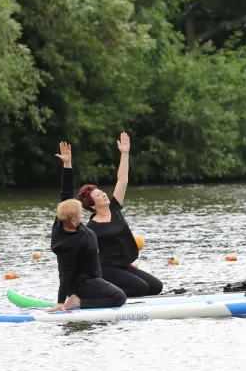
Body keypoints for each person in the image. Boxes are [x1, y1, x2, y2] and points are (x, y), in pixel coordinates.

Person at [76, 132, 163, 298]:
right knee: (141, 288)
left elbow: (122, 180)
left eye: (102, 192)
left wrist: (124, 153)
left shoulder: (114, 208)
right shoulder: (91, 228)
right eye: (98, 195)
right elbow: (84, 255)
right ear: (92, 206)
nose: (103, 195)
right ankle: (103, 293)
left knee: (156, 287)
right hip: (106, 270)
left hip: (122, 266)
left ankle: (119, 288)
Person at [49, 142, 126, 311]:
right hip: (82, 283)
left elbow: (66, 193)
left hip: (91, 279)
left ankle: (80, 299)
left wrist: (67, 164)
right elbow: (66, 273)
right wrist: (60, 301)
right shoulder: (71, 243)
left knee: (112, 289)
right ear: (74, 221)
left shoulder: (62, 219)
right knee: (119, 297)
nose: (83, 215)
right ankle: (78, 303)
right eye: (80, 214)